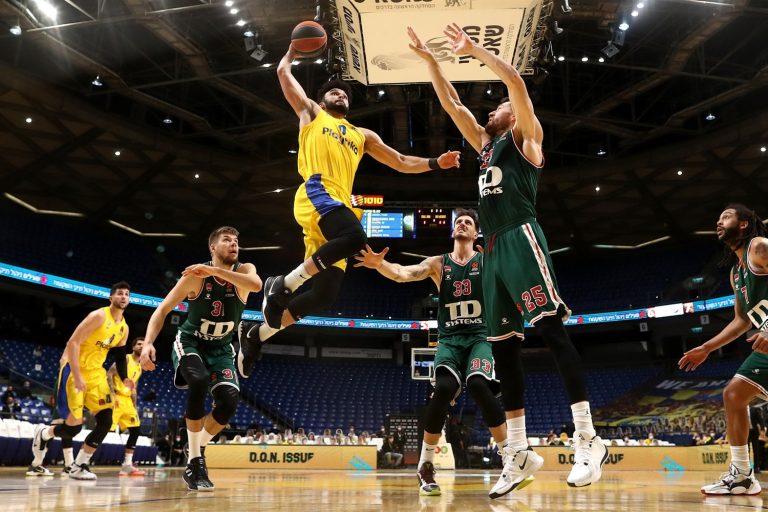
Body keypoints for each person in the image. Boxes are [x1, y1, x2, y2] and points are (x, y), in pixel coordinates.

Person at [406, 24, 607, 490]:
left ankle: (586, 438)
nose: (493, 108)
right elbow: (452, 103)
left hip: (519, 236)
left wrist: (474, 51)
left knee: (552, 332)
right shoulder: (484, 146)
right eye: (495, 108)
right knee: (505, 351)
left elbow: (516, 85)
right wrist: (430, 62)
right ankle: (516, 452)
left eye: (498, 107)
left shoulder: (526, 138)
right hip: (491, 249)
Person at [236, 44, 461, 377]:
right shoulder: (313, 113)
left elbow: (399, 161)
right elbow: (284, 76)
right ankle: (280, 285)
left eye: (344, 94)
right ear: (323, 99)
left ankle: (256, 335)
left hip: (338, 204)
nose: (340, 95)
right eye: (334, 92)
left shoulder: (362, 134)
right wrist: (289, 55)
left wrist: (433, 163)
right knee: (355, 236)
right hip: (317, 190)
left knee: (324, 295)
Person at [355, 208, 509, 496]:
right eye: (459, 222)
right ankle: (425, 465)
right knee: (444, 389)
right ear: (453, 232)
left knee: (478, 385)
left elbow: (511, 276)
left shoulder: (486, 262)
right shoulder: (439, 264)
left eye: (468, 222)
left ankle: (509, 457)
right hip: (449, 340)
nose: (462, 224)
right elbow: (403, 273)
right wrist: (380, 265)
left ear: (476, 233)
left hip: (479, 338)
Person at [139, 226, 262, 491]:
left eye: (236, 241)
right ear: (212, 248)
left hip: (222, 348)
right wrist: (148, 342)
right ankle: (195, 461)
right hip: (191, 342)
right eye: (227, 240)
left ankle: (195, 445)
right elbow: (162, 309)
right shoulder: (195, 277)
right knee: (198, 380)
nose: (234, 244)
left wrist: (215, 271)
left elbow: (256, 285)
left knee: (229, 402)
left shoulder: (243, 270)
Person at [679, 204, 767, 495]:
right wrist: (706, 347)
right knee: (733, 394)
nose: (719, 222)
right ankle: (742, 475)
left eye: (726, 217)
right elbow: (742, 320)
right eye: (717, 219)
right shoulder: (736, 273)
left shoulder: (760, 247)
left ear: (743, 224)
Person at [28, 282, 132, 479]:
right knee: (73, 428)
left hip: (96, 374)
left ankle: (79, 464)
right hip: (74, 370)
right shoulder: (99, 316)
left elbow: (120, 356)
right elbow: (73, 342)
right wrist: (76, 375)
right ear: (111, 298)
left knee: (106, 420)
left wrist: (125, 378)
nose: (124, 297)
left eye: (127, 294)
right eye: (119, 294)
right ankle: (44, 433)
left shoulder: (124, 328)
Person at [108, 336, 146, 476]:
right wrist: (112, 394)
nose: (141, 346)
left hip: (128, 401)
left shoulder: (140, 366)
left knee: (136, 430)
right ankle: (81, 462)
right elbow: (109, 374)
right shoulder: (125, 359)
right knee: (104, 429)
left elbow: (134, 386)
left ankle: (127, 464)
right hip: (116, 397)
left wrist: (134, 404)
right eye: (139, 344)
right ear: (133, 347)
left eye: (144, 344)